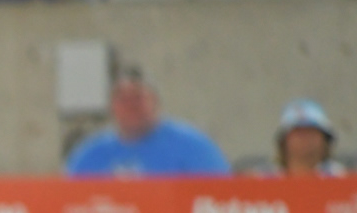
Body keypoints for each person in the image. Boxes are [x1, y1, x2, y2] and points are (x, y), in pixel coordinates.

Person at [64, 68, 231, 178]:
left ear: (156, 103)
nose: (131, 105)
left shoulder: (195, 147)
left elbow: (220, 200)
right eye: (123, 99)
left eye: (138, 98)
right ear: (111, 108)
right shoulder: (89, 154)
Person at [272, 99, 344, 176]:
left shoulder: (340, 177)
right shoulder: (269, 179)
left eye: (312, 131)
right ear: (283, 140)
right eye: (298, 131)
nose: (305, 138)